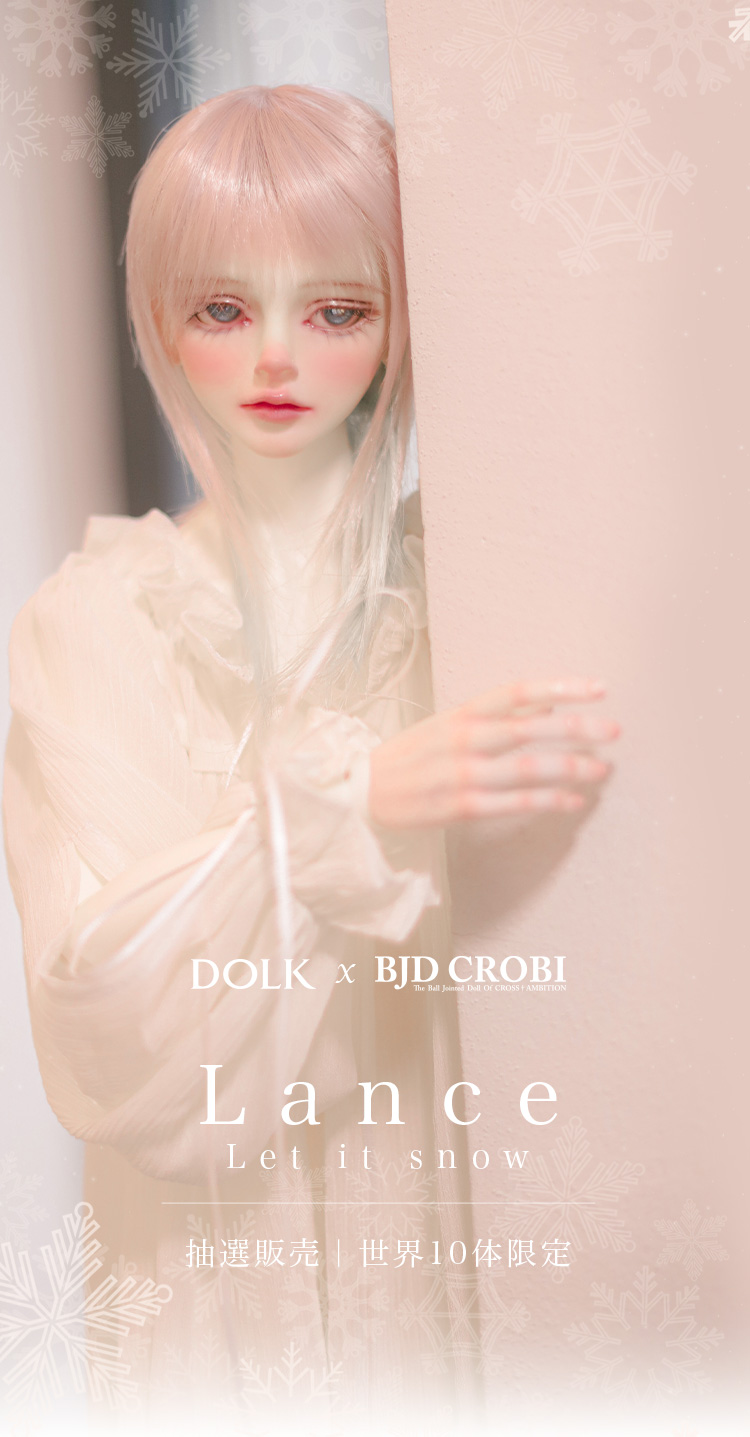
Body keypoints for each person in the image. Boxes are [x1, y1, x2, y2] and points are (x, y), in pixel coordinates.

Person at [2, 85, 619, 1435]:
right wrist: (345, 813)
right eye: (223, 308)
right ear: (160, 318)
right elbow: (107, 1010)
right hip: (213, 1276)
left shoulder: (478, 584)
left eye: (338, 309)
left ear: (401, 318)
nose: (277, 355)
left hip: (456, 1227)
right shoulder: (91, 626)